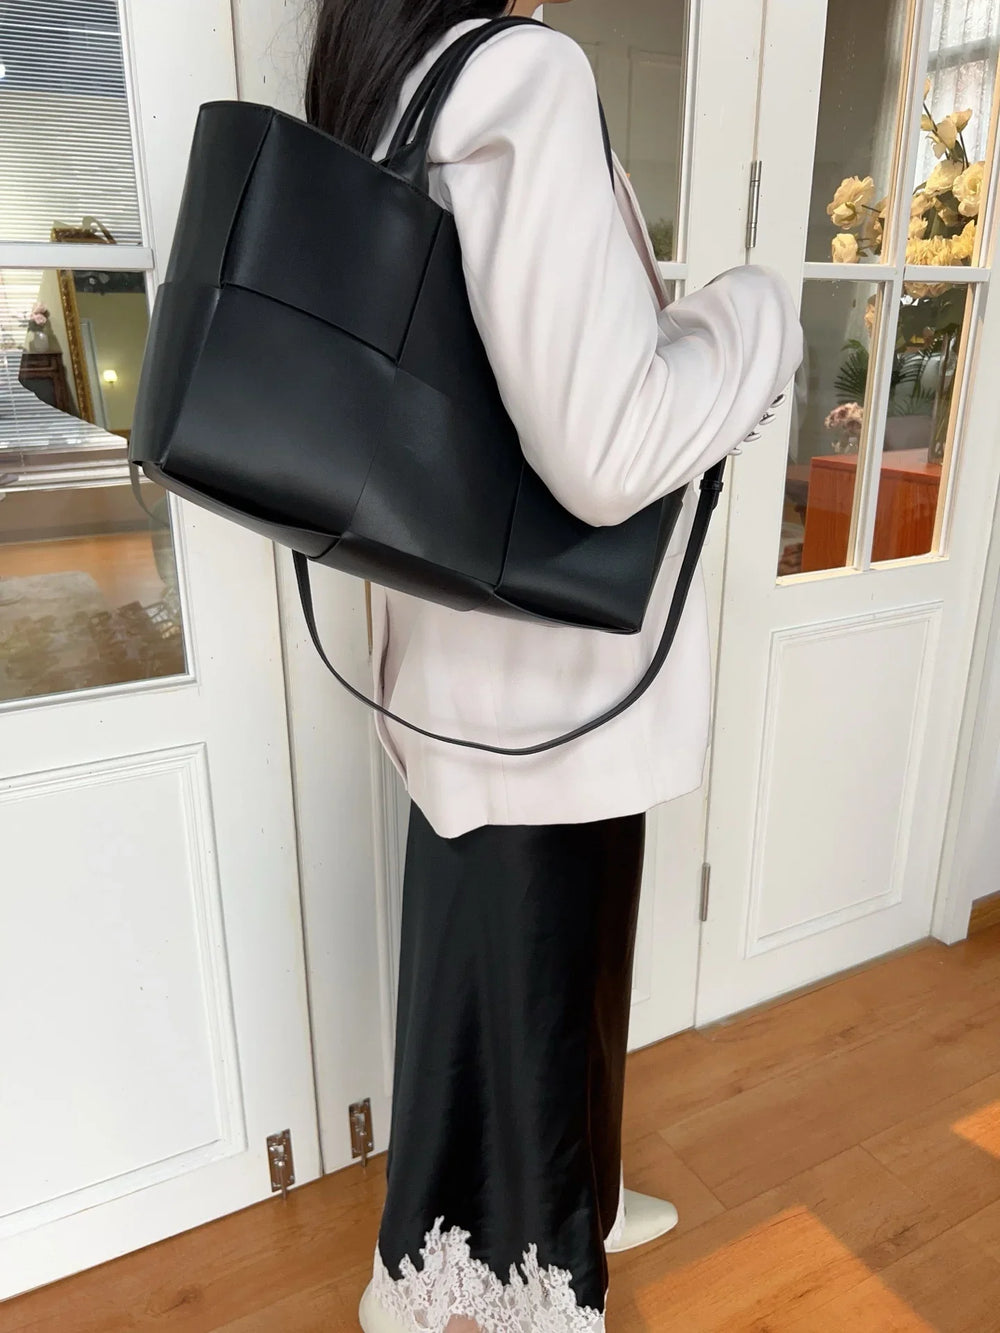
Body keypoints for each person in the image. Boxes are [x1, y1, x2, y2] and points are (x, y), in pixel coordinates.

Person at [305, 2, 803, 1330]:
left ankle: (529, 1218)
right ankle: (539, 1270)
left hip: (460, 677)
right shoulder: (521, 74)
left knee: (513, 1000)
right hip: (554, 693)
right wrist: (750, 317)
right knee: (546, 990)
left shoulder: (391, 79)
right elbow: (607, 447)